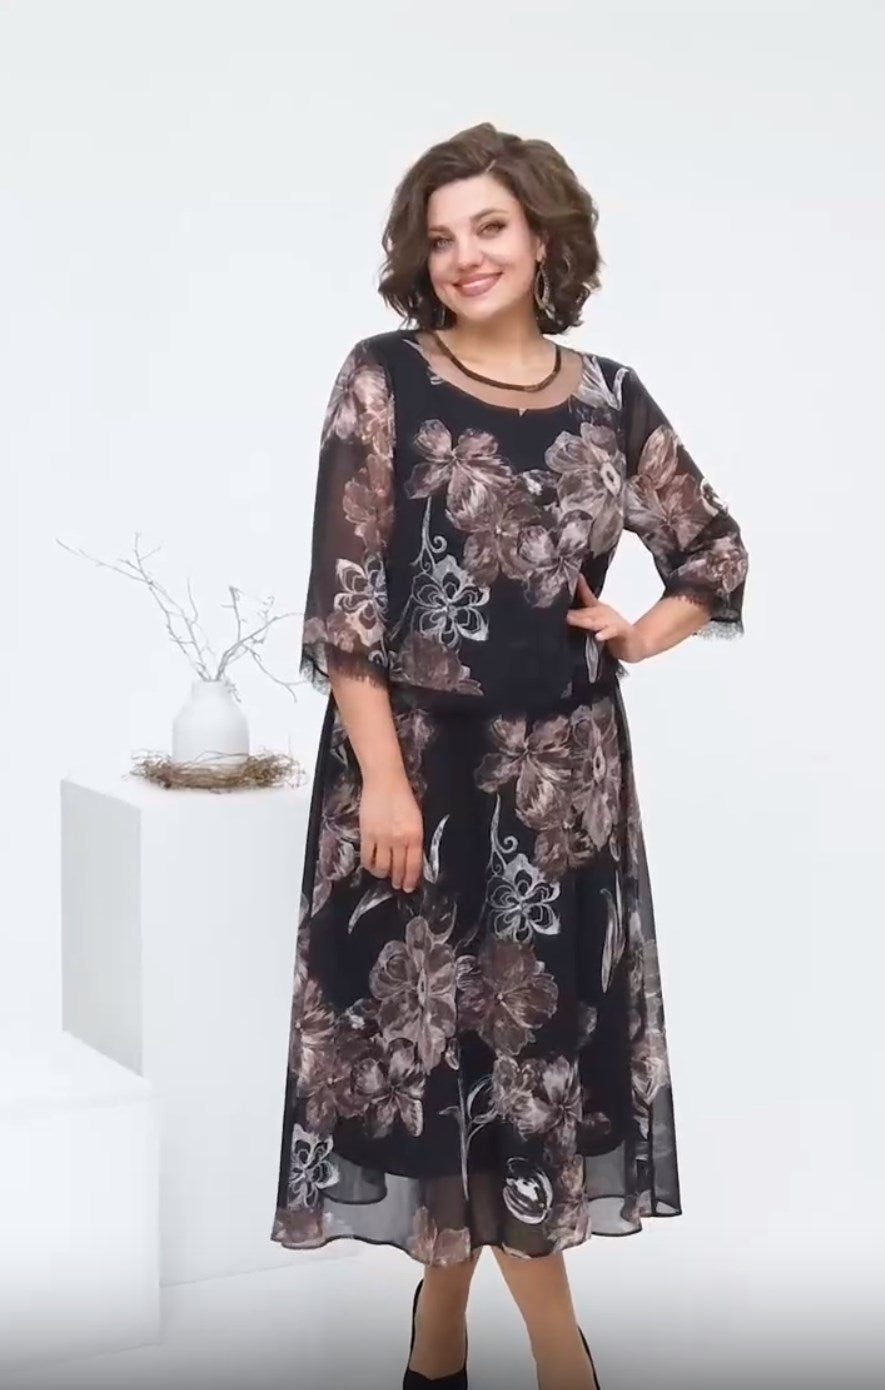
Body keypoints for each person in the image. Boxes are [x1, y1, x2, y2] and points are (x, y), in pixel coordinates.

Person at [270, 121, 749, 1390]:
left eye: (489, 226)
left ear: (543, 238)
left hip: (564, 791)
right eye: (440, 238)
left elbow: (713, 551)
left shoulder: (610, 398)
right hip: (414, 775)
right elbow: (346, 606)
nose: (464, 255)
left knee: (528, 1077)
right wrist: (382, 782)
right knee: (441, 1069)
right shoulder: (384, 376)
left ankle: (442, 1339)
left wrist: (640, 630)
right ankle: (558, 1359)